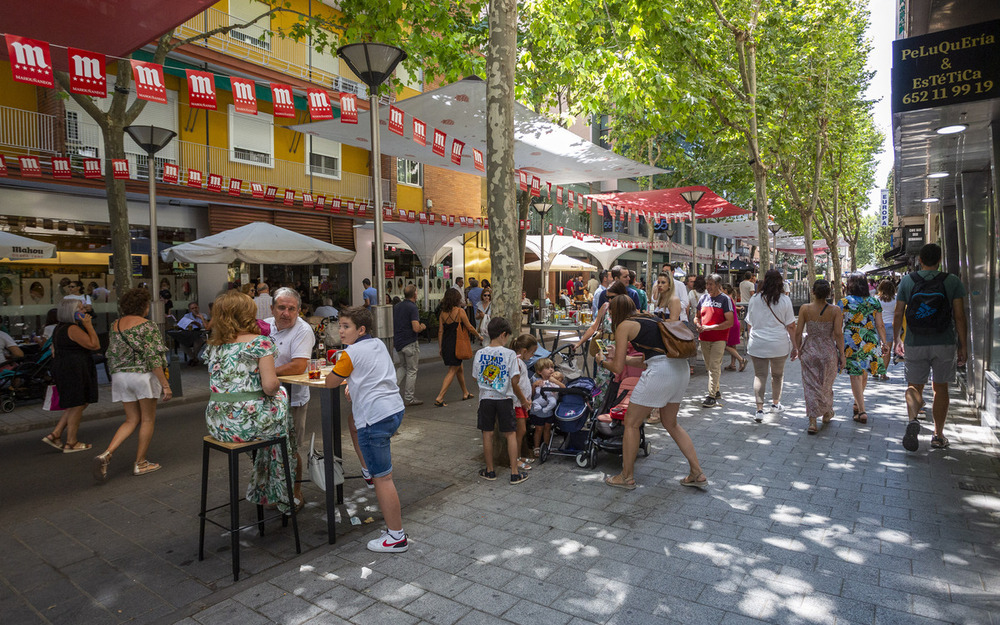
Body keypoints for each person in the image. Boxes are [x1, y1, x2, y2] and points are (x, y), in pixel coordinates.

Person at [596, 293, 705, 489]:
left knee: (631, 423)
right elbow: (645, 358)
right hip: (679, 369)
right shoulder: (649, 317)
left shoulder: (624, 326)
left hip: (660, 373)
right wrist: (620, 358)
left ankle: (626, 477)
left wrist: (602, 361)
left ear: (615, 312)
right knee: (671, 423)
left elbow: (618, 369)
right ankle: (696, 471)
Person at [324, 306, 408, 552]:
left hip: (374, 418)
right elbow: (373, 372)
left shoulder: (349, 354)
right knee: (352, 422)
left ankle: (396, 537)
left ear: (360, 329)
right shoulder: (378, 344)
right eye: (339, 325)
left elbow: (330, 382)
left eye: (346, 326)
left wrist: (343, 376)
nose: (340, 331)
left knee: (385, 479)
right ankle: (367, 471)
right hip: (393, 409)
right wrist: (353, 382)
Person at [203, 291, 296, 512]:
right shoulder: (260, 343)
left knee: (273, 420)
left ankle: (264, 483)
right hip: (249, 426)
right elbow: (270, 386)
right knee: (282, 405)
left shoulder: (214, 346)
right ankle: (280, 488)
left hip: (218, 425)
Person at [895, 243, 967, 452]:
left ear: (920, 260)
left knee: (914, 385)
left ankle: (912, 420)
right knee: (940, 387)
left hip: (915, 342)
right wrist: (963, 344)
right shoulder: (952, 281)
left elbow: (899, 313)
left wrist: (898, 339)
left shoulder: (908, 281)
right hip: (944, 341)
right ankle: (938, 434)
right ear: (940, 259)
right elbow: (959, 316)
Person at [93, 288, 171, 481]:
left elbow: (111, 352)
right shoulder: (147, 326)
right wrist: (165, 385)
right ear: (144, 306)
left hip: (120, 377)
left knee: (130, 420)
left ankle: (107, 453)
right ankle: (141, 462)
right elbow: (153, 358)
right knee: (147, 420)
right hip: (142, 376)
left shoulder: (115, 325)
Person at [264, 287, 315, 504]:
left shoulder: (303, 331)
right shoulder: (264, 327)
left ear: (299, 311)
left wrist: (266, 373)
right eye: (281, 307)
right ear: (272, 308)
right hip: (267, 396)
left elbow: (298, 365)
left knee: (290, 448)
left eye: (291, 309)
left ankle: (295, 493)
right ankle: (272, 491)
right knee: (267, 447)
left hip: (292, 398)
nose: (286, 313)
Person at [473, 317, 531, 485]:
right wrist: (522, 399)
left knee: (487, 434)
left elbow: (477, 377)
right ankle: (514, 473)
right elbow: (514, 381)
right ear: (503, 335)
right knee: (510, 434)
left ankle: (490, 471)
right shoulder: (510, 354)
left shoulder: (480, 353)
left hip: (486, 399)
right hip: (505, 399)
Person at [41, 298, 100, 453]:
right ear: (71, 312)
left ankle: (56, 434)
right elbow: (95, 345)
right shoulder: (72, 329)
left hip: (66, 367)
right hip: (74, 368)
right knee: (78, 403)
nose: (84, 311)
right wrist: (89, 326)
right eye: (80, 309)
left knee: (77, 402)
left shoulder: (58, 328)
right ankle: (71, 442)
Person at [793, 279, 845, 434]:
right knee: (826, 385)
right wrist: (842, 354)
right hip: (828, 352)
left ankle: (812, 421)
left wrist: (797, 348)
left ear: (813, 292)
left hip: (810, 350)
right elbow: (838, 334)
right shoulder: (835, 310)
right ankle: (827, 411)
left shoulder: (805, 309)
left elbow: (798, 332)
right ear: (828, 293)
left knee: (810, 386)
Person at [745, 270, 797, 422]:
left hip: (758, 343)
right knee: (777, 375)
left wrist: (751, 339)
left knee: (759, 376)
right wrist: (795, 346)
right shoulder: (785, 300)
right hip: (779, 344)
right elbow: (791, 326)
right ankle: (775, 404)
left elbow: (749, 323)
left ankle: (759, 410)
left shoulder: (755, 299)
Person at [839, 272, 889, 425]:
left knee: (855, 375)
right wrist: (885, 343)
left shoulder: (844, 302)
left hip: (851, 339)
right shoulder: (874, 302)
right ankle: (857, 403)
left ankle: (862, 410)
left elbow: (837, 325)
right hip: (870, 339)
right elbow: (880, 324)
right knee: (864, 373)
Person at [433, 286, 481, 406]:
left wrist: (440, 347)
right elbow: (469, 327)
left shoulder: (442, 313)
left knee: (459, 368)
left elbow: (440, 331)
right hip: (457, 344)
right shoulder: (460, 312)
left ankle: (465, 392)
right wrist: (479, 336)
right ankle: (440, 397)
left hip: (446, 344)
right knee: (452, 370)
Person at [695, 274, 734, 408]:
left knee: (714, 366)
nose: (708, 287)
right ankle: (716, 391)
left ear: (718, 285)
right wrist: (698, 324)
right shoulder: (703, 298)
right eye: (707, 284)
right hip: (704, 338)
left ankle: (711, 396)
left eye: (711, 284)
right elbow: (697, 316)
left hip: (719, 338)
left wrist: (711, 327)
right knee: (709, 367)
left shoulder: (725, 299)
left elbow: (730, 322)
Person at [393, 284, 426, 407]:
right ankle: (409, 397)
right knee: (412, 370)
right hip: (410, 342)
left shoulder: (397, 306)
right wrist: (422, 326)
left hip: (399, 342)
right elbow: (415, 327)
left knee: (402, 367)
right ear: (415, 294)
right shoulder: (412, 308)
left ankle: (391, 391)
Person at [511, 334, 538, 472]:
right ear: (524, 351)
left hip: (521, 402)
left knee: (521, 431)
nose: (532, 356)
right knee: (520, 431)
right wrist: (523, 400)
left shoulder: (520, 362)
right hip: (517, 403)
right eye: (532, 352)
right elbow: (514, 384)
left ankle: (518, 456)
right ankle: (515, 459)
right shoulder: (517, 362)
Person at [529, 358, 563, 456]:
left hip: (549, 410)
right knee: (539, 429)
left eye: (552, 367)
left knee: (548, 428)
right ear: (539, 372)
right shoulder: (535, 380)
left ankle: (547, 447)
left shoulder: (555, 379)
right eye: (547, 368)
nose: (551, 370)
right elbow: (531, 395)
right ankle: (536, 447)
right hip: (538, 410)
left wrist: (555, 381)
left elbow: (563, 388)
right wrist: (533, 386)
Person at [722, 284, 747, 372]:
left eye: (721, 289)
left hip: (731, 324)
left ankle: (741, 359)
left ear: (725, 290)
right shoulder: (731, 298)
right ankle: (732, 364)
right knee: (733, 344)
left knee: (724, 344)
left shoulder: (726, 299)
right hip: (735, 323)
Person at [875, 280, 897, 381]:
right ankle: (883, 373)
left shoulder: (876, 299)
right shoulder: (896, 299)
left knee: (876, 349)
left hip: (878, 325)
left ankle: (874, 370)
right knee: (887, 350)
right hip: (890, 325)